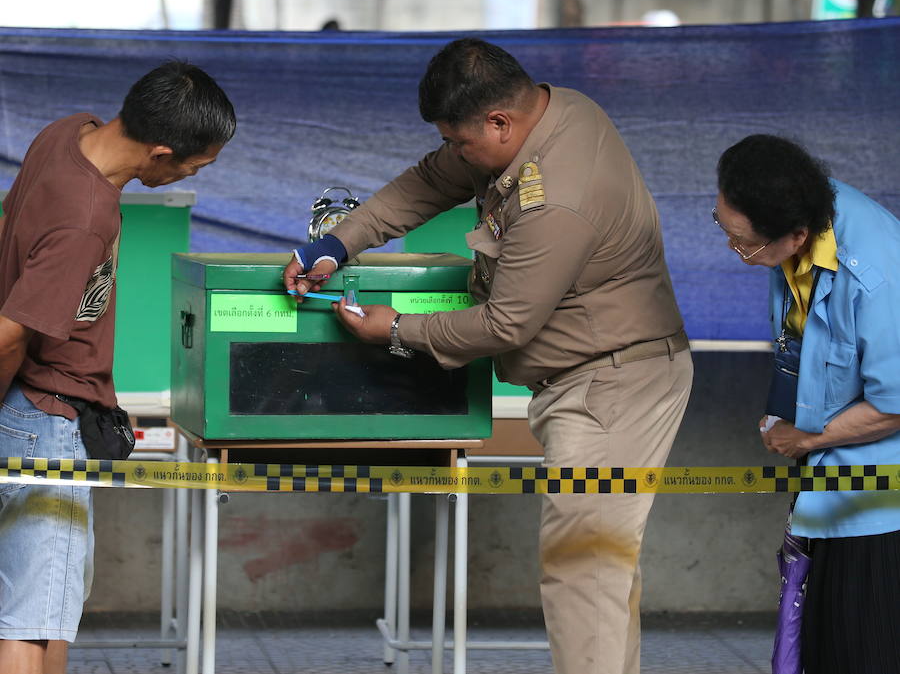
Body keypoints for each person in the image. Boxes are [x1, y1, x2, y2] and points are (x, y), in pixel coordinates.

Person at [284, 38, 693, 674]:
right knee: (600, 575)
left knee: (582, 573)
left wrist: (398, 330)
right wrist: (340, 241)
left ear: (499, 121)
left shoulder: (557, 192)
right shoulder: (552, 114)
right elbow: (430, 180)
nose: (455, 154)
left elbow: (506, 323)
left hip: (615, 386)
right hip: (590, 378)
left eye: (461, 140)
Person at [0, 60, 235, 674]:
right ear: (161, 152)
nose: (190, 174)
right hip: (44, 415)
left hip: (41, 413)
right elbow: (7, 337)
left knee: (50, 612)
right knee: (30, 619)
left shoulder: (66, 132)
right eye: (192, 164)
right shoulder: (85, 219)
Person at [714, 134, 900, 674]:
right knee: (816, 638)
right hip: (826, 474)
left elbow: (895, 403)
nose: (735, 251)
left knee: (866, 642)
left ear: (795, 235)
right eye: (724, 229)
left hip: (880, 494)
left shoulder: (877, 276)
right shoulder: (801, 211)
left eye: (743, 244)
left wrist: (809, 438)